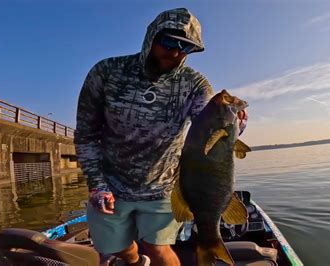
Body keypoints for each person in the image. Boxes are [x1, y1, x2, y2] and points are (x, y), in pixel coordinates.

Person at [75, 7, 247, 266]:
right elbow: (86, 134)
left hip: (164, 187)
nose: (175, 52)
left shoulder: (195, 84)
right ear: (151, 37)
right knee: (115, 248)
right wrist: (97, 184)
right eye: (168, 41)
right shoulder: (106, 72)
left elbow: (205, 124)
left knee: (158, 249)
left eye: (185, 47)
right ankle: (134, 261)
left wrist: (233, 125)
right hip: (111, 185)